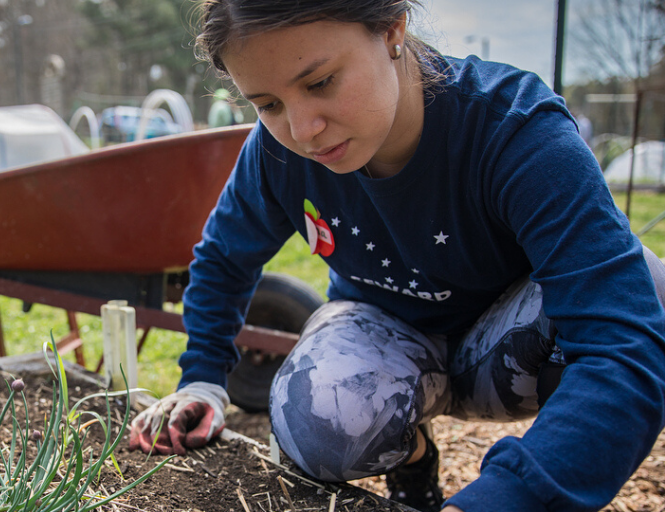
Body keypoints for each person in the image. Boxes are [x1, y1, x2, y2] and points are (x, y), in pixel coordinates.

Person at [126, 1, 665, 511]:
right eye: (268, 104)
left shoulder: (516, 132)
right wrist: (202, 378)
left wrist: (507, 498)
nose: (302, 130)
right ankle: (414, 460)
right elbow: (224, 256)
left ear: (392, 30)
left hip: (507, 351)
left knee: (649, 289)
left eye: (320, 82)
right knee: (310, 425)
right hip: (386, 339)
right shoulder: (275, 154)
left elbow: (620, 345)